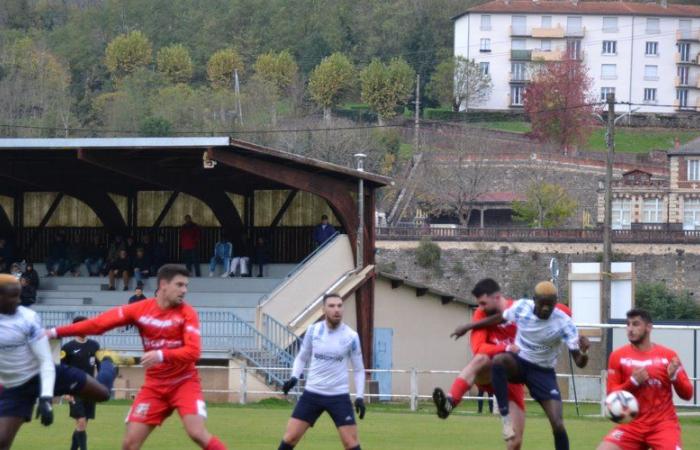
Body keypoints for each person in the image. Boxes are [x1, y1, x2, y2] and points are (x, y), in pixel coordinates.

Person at [47, 265, 228, 450]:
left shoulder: (187, 313)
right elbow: (98, 324)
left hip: (184, 382)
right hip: (155, 386)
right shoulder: (140, 310)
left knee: (196, 433)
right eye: (180, 285)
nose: (184, 290)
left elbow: (194, 351)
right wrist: (54, 332)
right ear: (163, 284)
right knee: (129, 444)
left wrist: (161, 354)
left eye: (186, 286)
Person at [461, 281, 589, 450]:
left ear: (555, 303)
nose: (545, 309)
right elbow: (499, 318)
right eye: (542, 304)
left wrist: (584, 351)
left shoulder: (564, 323)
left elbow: (579, 362)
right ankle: (505, 416)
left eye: (549, 305)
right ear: (534, 300)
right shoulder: (523, 307)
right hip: (520, 363)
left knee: (558, 424)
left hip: (543, 372)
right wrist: (470, 325)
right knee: (499, 361)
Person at [0, 275, 117, 450]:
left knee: (103, 394)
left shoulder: (28, 318)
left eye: (19, 295)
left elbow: (46, 361)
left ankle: (108, 360)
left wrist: (46, 398)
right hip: (15, 388)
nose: (18, 301)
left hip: (46, 374)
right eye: (12, 296)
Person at [433, 278, 527, 450]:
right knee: (481, 358)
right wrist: (506, 347)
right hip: (490, 373)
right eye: (479, 304)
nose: (481, 308)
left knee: (515, 443)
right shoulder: (480, 315)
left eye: (484, 303)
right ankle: (449, 402)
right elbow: (479, 348)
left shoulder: (521, 310)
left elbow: (559, 310)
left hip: (513, 380)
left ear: (497, 297)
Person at [277, 293, 366, 450]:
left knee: (351, 443)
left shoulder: (351, 336)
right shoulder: (313, 331)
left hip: (338, 396)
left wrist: (359, 397)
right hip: (312, 394)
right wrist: (294, 377)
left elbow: (359, 369)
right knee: (290, 438)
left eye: (339, 305)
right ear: (323, 309)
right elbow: (302, 357)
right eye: (331, 306)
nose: (336, 309)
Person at [596, 308, 693, 450]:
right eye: (628, 324)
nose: (630, 329)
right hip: (632, 426)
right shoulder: (618, 356)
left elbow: (688, 394)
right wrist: (633, 382)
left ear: (648, 327)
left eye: (635, 324)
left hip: (663, 426)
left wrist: (674, 377)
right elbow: (611, 394)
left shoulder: (668, 356)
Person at [60, 317, 101, 450]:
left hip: (90, 390)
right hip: (74, 390)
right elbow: (61, 371)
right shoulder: (67, 348)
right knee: (81, 421)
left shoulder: (95, 345)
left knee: (81, 425)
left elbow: (100, 367)